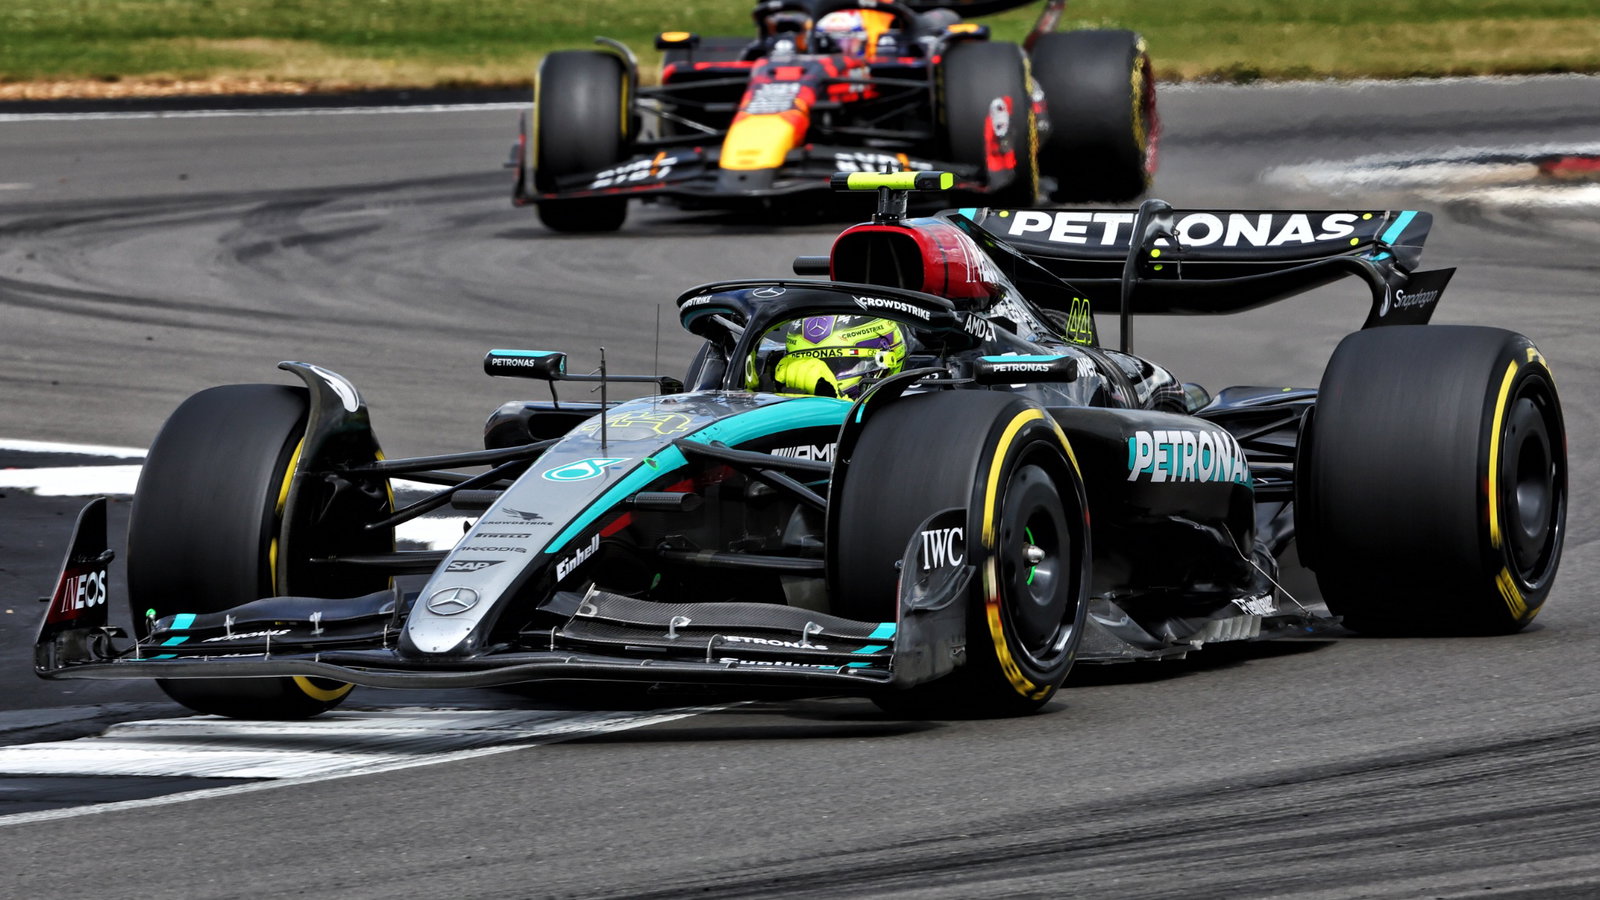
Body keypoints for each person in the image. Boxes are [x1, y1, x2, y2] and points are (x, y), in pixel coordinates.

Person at [756, 315, 907, 398]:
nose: (822, 374)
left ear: (885, 359)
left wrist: (834, 400)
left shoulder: (916, 407)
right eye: (803, 360)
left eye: (837, 364)